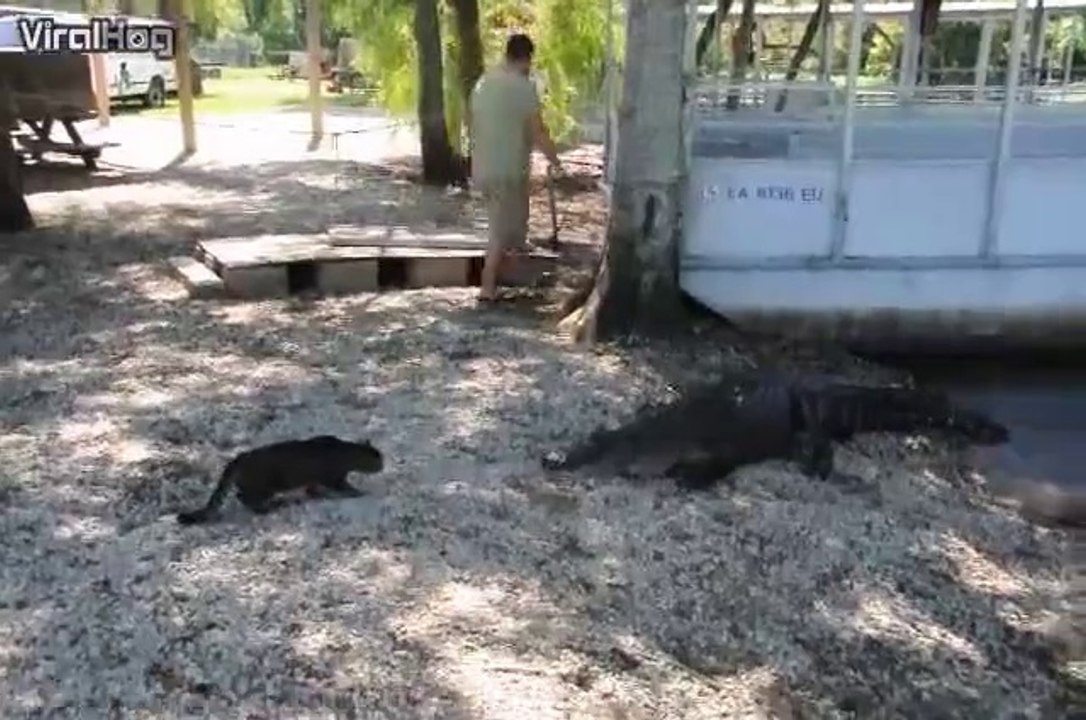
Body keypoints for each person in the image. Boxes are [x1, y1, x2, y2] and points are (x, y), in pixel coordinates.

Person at [469, 32, 562, 303]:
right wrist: (556, 161)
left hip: (483, 166)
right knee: (500, 229)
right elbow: (537, 131)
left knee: (512, 225)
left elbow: (473, 121)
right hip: (507, 170)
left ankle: (513, 274)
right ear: (527, 58)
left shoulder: (483, 83)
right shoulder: (523, 87)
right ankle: (487, 287)